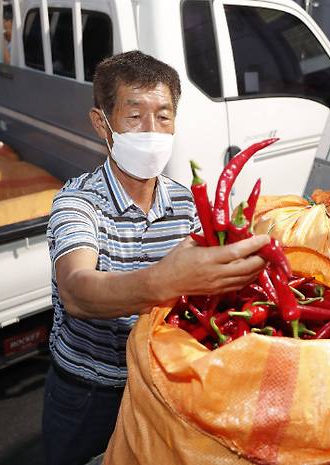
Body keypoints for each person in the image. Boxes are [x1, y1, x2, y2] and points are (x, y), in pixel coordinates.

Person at [42, 50, 270, 465]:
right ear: (102, 123)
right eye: (134, 116)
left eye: (163, 118)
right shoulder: (77, 203)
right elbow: (77, 291)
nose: (151, 130)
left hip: (160, 388)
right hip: (89, 394)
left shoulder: (185, 203)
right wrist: (169, 280)